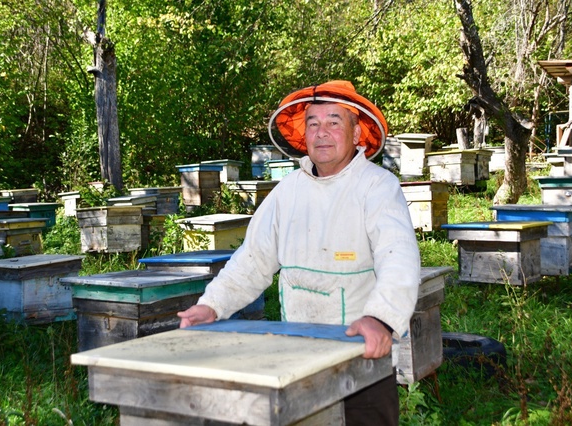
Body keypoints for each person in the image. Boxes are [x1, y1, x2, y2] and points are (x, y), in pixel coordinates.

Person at [178, 80, 420, 425]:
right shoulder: (286, 191)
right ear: (303, 135)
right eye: (313, 123)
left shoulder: (377, 186)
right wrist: (211, 305)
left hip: (363, 352)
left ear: (355, 135)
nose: (322, 132)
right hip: (298, 353)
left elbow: (398, 258)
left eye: (334, 122)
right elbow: (252, 261)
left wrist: (381, 318)